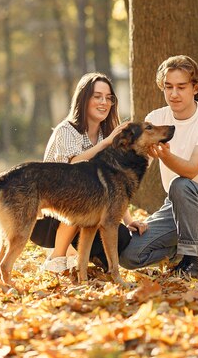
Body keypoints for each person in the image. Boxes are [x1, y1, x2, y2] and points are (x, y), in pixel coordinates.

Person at [119, 55, 198, 277]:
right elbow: (130, 170)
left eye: (181, 87)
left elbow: (190, 170)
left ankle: (191, 261)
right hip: (174, 209)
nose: (174, 94)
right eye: (168, 87)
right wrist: (128, 218)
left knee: (181, 184)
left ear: (195, 87)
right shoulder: (156, 118)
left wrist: (165, 156)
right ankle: (185, 251)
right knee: (129, 257)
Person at [30, 72, 147, 273]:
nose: (104, 102)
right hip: (48, 211)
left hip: (84, 208)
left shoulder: (105, 133)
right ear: (84, 99)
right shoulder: (67, 130)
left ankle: (79, 258)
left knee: (120, 236)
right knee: (83, 196)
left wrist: (128, 221)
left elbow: (114, 186)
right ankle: (56, 259)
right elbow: (72, 168)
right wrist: (106, 143)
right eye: (97, 96)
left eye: (108, 97)